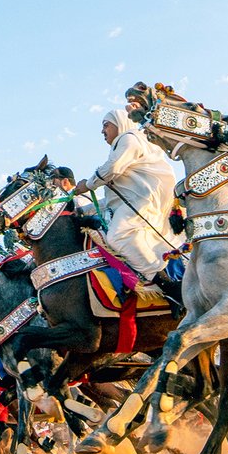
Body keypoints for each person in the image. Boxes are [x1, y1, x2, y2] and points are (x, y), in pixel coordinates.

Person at [73, 109, 184, 309]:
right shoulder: (125, 145)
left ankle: (168, 286)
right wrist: (83, 210)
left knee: (118, 236)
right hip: (139, 201)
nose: (102, 131)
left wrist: (87, 185)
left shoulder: (129, 139)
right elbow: (111, 199)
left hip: (144, 201)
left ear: (121, 123)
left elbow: (112, 168)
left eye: (106, 124)